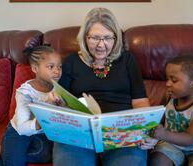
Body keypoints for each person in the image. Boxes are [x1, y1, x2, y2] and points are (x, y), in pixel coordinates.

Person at [54, 7, 157, 166]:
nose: (101, 45)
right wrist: (55, 101)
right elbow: (61, 102)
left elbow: (140, 102)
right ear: (85, 37)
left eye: (108, 38)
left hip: (122, 134)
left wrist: (144, 131)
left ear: (116, 38)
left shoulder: (127, 60)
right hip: (80, 134)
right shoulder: (71, 62)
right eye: (95, 38)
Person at [0, 45, 62, 166]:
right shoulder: (25, 92)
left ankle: (5, 151)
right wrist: (44, 114)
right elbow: (22, 128)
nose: (57, 71)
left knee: (46, 155)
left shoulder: (58, 89)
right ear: (35, 69)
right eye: (51, 67)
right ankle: (2, 155)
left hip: (41, 133)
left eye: (59, 66)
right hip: (19, 132)